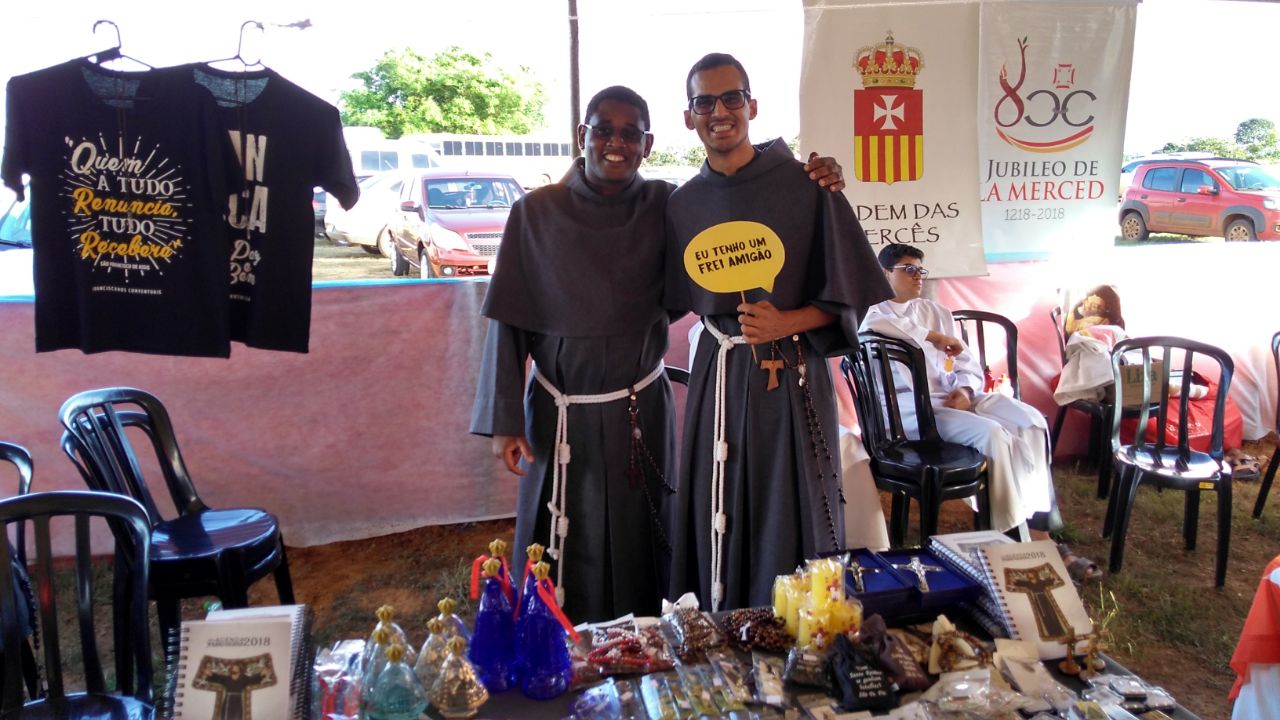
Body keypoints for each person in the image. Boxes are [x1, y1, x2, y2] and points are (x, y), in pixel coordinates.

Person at [470, 85, 846, 622]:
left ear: (648, 145)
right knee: (557, 538)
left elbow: (739, 203)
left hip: (637, 407)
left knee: (641, 543)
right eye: (604, 130)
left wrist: (813, 174)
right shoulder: (535, 212)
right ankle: (551, 641)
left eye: (630, 134)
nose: (616, 143)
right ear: (582, 135)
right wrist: (504, 421)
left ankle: (645, 646)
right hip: (560, 411)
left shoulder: (667, 205)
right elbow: (508, 321)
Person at [663, 53, 892, 611]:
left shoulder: (807, 185)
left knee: (788, 503)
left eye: (732, 98)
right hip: (719, 370)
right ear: (689, 117)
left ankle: (794, 625)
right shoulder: (682, 204)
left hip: (789, 368)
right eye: (704, 102)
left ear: (752, 106)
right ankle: (719, 619)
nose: (720, 112)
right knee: (717, 497)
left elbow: (851, 291)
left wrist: (788, 321)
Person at [860, 243, 1070, 548]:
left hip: (953, 398)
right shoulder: (871, 313)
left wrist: (965, 390)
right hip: (911, 410)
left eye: (920, 270)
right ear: (885, 273)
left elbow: (966, 363)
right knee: (993, 434)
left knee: (1031, 421)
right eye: (908, 269)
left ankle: (1038, 523)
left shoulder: (935, 312)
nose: (917, 276)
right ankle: (1010, 535)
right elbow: (877, 324)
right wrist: (934, 337)